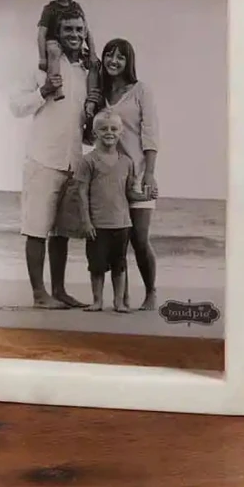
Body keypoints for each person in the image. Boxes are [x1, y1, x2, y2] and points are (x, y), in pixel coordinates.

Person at [9, 13, 92, 309]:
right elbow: (16, 106)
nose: (74, 34)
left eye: (79, 29)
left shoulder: (86, 72)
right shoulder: (39, 67)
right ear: (57, 32)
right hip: (42, 159)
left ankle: (59, 290)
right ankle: (39, 294)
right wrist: (43, 90)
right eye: (68, 29)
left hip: (72, 160)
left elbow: (80, 120)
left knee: (61, 232)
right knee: (36, 229)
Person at [94, 38, 162, 310]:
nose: (114, 61)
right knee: (116, 240)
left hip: (138, 173)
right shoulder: (99, 93)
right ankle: (121, 298)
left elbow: (151, 133)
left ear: (128, 61)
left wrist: (150, 174)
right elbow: (91, 134)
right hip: (110, 177)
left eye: (120, 57)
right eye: (109, 55)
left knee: (140, 239)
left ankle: (151, 292)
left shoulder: (141, 91)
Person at [69, 110, 148, 313]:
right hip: (97, 225)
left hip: (122, 224)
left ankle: (119, 302)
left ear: (121, 132)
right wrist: (85, 221)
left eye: (114, 129)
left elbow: (129, 192)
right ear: (95, 132)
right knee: (96, 266)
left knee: (119, 266)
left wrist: (146, 196)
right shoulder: (88, 161)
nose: (109, 132)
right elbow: (81, 192)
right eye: (103, 129)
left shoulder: (127, 162)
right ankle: (97, 301)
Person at [34, 0, 99, 108]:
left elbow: (86, 31)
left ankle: (91, 99)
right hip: (53, 40)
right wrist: (42, 58)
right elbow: (41, 34)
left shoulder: (76, 7)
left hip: (72, 44)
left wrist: (93, 53)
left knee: (94, 64)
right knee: (53, 51)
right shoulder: (49, 9)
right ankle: (57, 89)